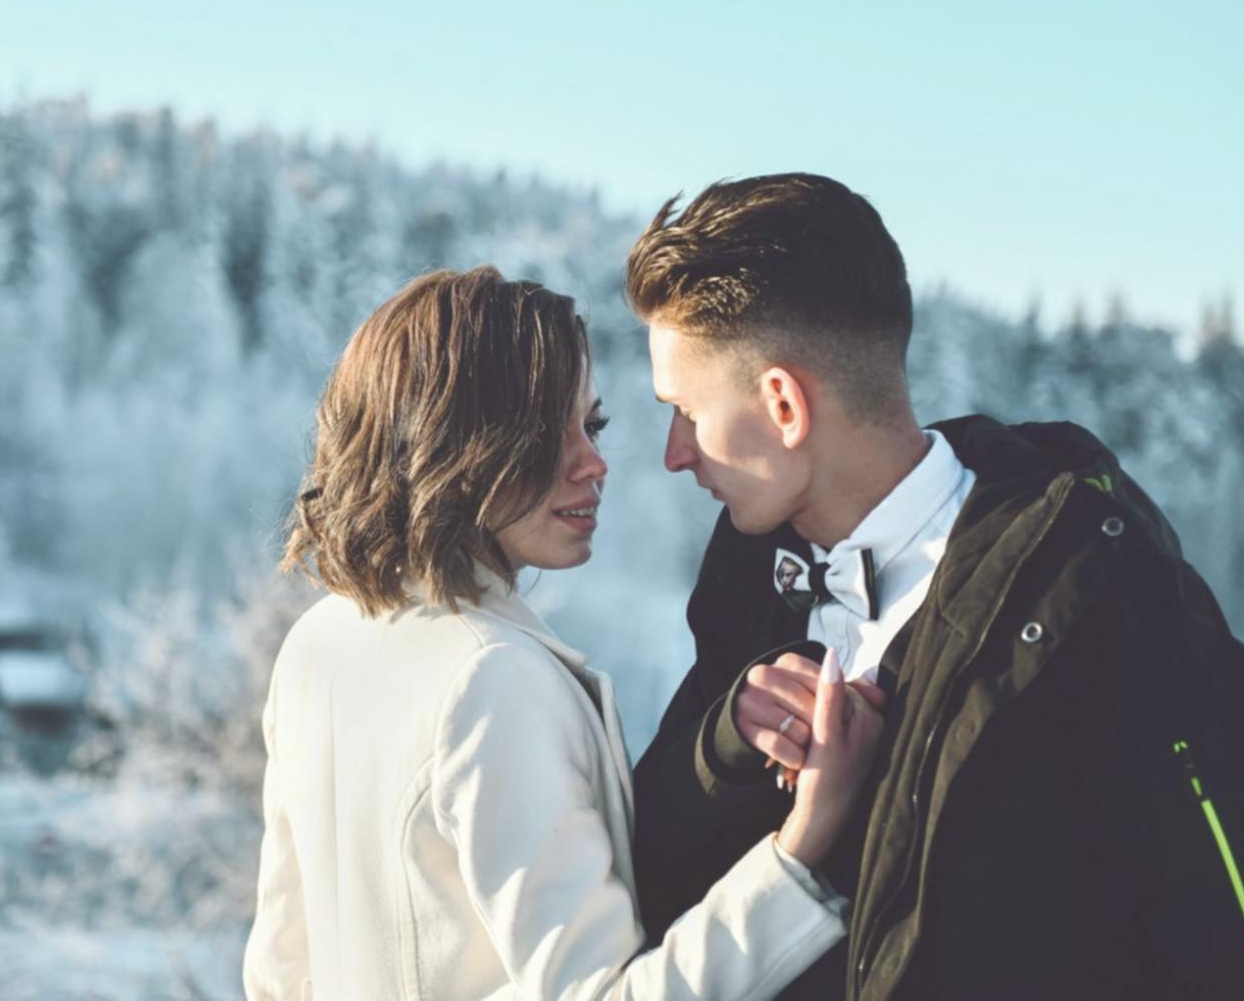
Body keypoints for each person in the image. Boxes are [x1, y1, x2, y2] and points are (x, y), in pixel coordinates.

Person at [622, 173, 1244, 1000]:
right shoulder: (747, 578)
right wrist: (726, 748)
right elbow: (649, 878)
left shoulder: (1090, 597)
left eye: (687, 411)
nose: (675, 453)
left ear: (783, 406)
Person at [242, 267, 888, 1001]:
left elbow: (279, 972)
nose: (595, 463)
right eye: (552, 432)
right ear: (457, 439)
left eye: (594, 424)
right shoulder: (490, 679)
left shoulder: (319, 642)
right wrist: (803, 847)